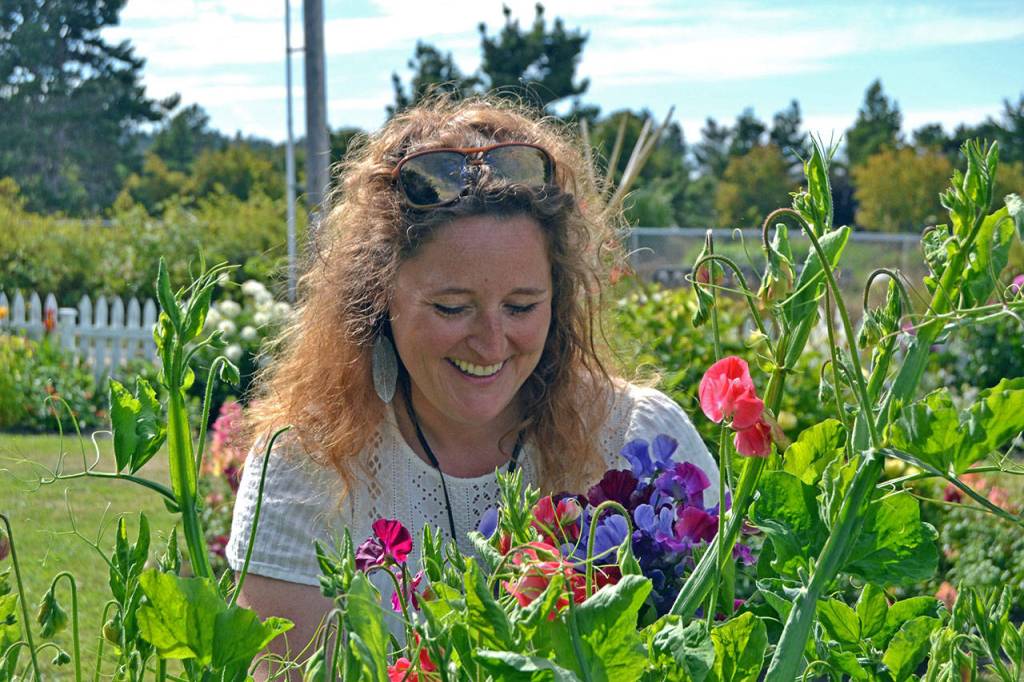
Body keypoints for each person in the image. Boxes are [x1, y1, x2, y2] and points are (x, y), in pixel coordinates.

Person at [227, 95, 719, 673]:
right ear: (380, 296)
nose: (490, 343)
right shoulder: (310, 462)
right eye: (452, 307)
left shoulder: (638, 436)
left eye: (521, 305)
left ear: (557, 299)